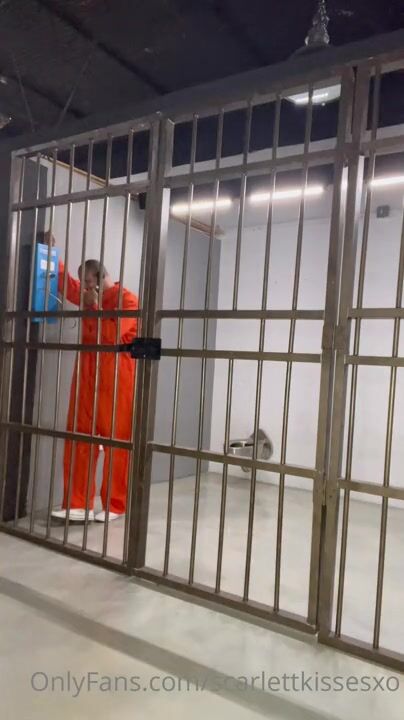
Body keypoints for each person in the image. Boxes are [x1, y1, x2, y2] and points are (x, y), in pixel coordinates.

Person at [40, 232, 138, 523]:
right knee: (78, 438)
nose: (81, 288)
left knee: (117, 443)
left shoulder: (127, 300)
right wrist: (51, 253)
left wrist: (93, 306)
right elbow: (65, 283)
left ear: (99, 278)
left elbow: (111, 335)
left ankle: (115, 505)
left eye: (87, 282)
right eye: (82, 283)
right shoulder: (86, 295)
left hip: (116, 378)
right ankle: (76, 503)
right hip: (86, 376)